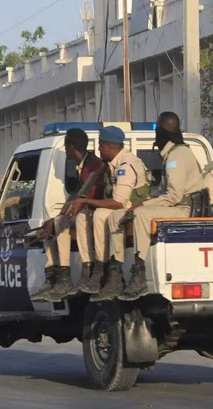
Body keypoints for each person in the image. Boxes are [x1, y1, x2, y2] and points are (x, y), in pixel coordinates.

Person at [67, 126, 150, 301]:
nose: (98, 149)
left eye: (101, 145)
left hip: (133, 209)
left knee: (100, 214)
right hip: (125, 209)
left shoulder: (126, 165)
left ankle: (108, 269)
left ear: (110, 146)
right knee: (83, 217)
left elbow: (119, 202)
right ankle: (91, 267)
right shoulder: (113, 164)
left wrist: (86, 202)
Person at [127, 112, 204, 300]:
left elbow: (174, 196)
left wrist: (142, 204)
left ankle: (139, 271)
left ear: (162, 133)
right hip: (182, 206)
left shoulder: (175, 157)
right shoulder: (176, 153)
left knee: (141, 214)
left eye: (157, 130)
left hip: (184, 209)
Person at [32, 128, 106, 302]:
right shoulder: (83, 166)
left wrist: (62, 217)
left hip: (92, 211)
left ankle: (66, 276)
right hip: (86, 208)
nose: (65, 150)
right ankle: (53, 275)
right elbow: (77, 195)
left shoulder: (92, 166)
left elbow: (87, 196)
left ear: (72, 147)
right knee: (51, 225)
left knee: (61, 224)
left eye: (66, 146)